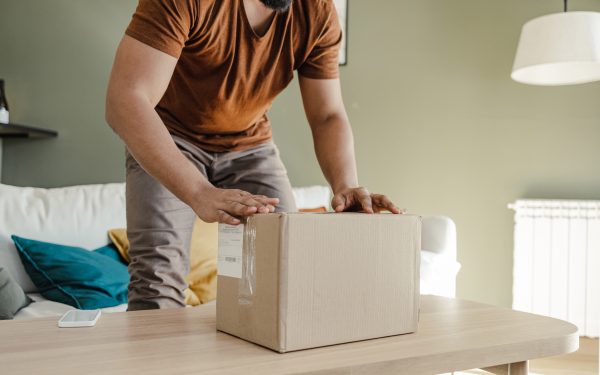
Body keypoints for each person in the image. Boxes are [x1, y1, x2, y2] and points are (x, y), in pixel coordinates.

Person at [105, 0, 401, 311]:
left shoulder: (317, 12)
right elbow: (126, 100)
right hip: (170, 136)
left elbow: (327, 114)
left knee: (285, 269)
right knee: (157, 284)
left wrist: (344, 185)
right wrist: (199, 192)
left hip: (250, 145)